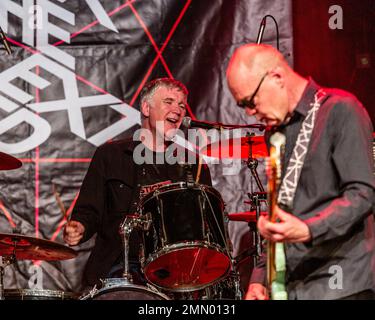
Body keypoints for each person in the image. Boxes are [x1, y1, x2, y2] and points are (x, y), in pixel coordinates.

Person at [226, 44, 375, 300]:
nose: (250, 112)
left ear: (277, 77)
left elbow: (362, 194)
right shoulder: (277, 133)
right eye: (242, 106)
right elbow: (279, 218)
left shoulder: (340, 110)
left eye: (250, 101)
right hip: (295, 288)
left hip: (341, 285)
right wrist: (259, 279)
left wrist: (308, 229)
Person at [63, 78, 212, 289]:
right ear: (146, 107)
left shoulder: (192, 164)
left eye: (181, 105)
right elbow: (88, 211)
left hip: (172, 273)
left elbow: (203, 226)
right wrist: (79, 227)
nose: (177, 110)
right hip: (116, 268)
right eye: (168, 102)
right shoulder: (110, 155)